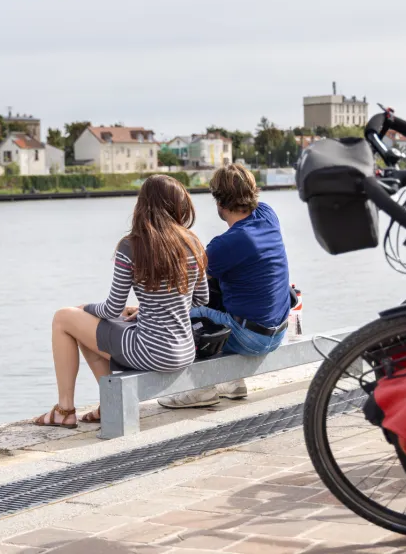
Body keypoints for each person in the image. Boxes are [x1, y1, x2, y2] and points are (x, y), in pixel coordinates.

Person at [34, 175, 209, 428]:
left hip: (150, 349)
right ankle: (109, 404)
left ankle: (64, 409)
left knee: (64, 318)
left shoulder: (131, 246)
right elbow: (201, 299)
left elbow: (112, 308)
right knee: (86, 331)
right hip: (184, 350)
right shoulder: (193, 243)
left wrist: (85, 309)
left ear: (143, 205)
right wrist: (148, 308)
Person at [158, 164, 291, 408]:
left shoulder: (226, 245)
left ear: (219, 201)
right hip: (278, 331)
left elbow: (183, 284)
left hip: (252, 338)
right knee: (218, 290)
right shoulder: (267, 215)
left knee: (179, 316)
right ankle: (232, 381)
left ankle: (201, 389)